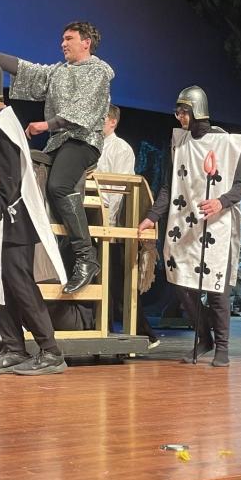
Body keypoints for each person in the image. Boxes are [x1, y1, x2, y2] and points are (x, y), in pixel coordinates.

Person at [0, 22, 112, 294]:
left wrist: (46, 125)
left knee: (59, 185)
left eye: (69, 39)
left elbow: (84, 112)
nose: (63, 43)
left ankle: (87, 258)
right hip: (58, 143)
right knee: (25, 164)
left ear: (86, 42)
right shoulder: (58, 72)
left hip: (83, 140)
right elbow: (26, 69)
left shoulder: (98, 72)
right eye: (62, 39)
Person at [0, 57, 69, 376]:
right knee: (1, 281)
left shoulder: (5, 127)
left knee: (20, 283)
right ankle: (14, 347)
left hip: (15, 218)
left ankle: (51, 351)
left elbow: (11, 181)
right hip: (4, 218)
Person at [137, 86, 241, 367]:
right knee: (180, 281)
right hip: (184, 224)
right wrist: (152, 216)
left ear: (197, 110)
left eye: (183, 111)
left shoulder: (225, 142)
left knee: (216, 290)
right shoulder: (179, 142)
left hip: (216, 224)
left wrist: (221, 202)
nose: (179, 117)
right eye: (177, 111)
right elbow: (168, 186)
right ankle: (204, 337)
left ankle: (222, 346)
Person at [96, 104, 160, 347]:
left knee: (119, 281)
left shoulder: (121, 148)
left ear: (113, 122)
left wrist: (108, 222)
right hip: (94, 221)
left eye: (102, 118)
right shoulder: (92, 146)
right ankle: (105, 331)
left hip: (114, 224)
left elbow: (120, 188)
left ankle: (145, 333)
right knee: (102, 280)